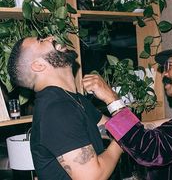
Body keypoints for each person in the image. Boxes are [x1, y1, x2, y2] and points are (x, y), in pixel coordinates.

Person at [82, 37, 172, 180]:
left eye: (169, 66)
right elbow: (154, 135)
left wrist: (112, 99)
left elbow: (151, 150)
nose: (164, 73)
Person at [7, 36, 123, 180]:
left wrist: (158, 127)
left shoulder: (74, 100)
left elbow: (118, 129)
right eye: (41, 40)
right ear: (38, 66)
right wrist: (122, 141)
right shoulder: (56, 110)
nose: (51, 37)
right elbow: (92, 177)